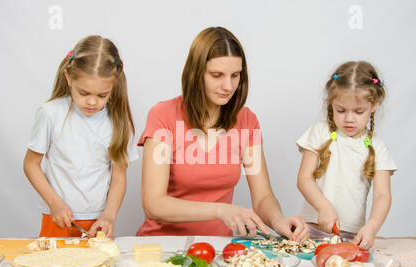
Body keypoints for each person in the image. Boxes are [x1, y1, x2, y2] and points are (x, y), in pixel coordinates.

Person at [137, 26, 309, 240]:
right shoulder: (163, 116)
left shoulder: (247, 121)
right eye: (217, 75)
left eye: (235, 75)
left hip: (217, 247)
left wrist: (277, 221)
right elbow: (154, 204)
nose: (228, 86)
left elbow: (263, 196)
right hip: (162, 246)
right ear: (196, 73)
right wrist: (220, 210)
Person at [23, 35, 136, 238]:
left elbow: (119, 177)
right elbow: (31, 164)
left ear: (114, 86)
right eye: (84, 93)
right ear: (69, 78)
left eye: (102, 95)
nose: (92, 102)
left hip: (97, 222)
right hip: (57, 218)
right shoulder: (50, 113)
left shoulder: (119, 122)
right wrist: (54, 203)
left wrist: (109, 216)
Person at [296, 61, 397, 249]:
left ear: (374, 105)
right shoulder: (319, 132)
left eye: (359, 112)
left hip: (351, 237)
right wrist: (323, 207)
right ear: (331, 103)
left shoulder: (378, 147)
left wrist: (372, 227)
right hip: (310, 230)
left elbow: (382, 195)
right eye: (341, 110)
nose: (349, 119)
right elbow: (304, 178)